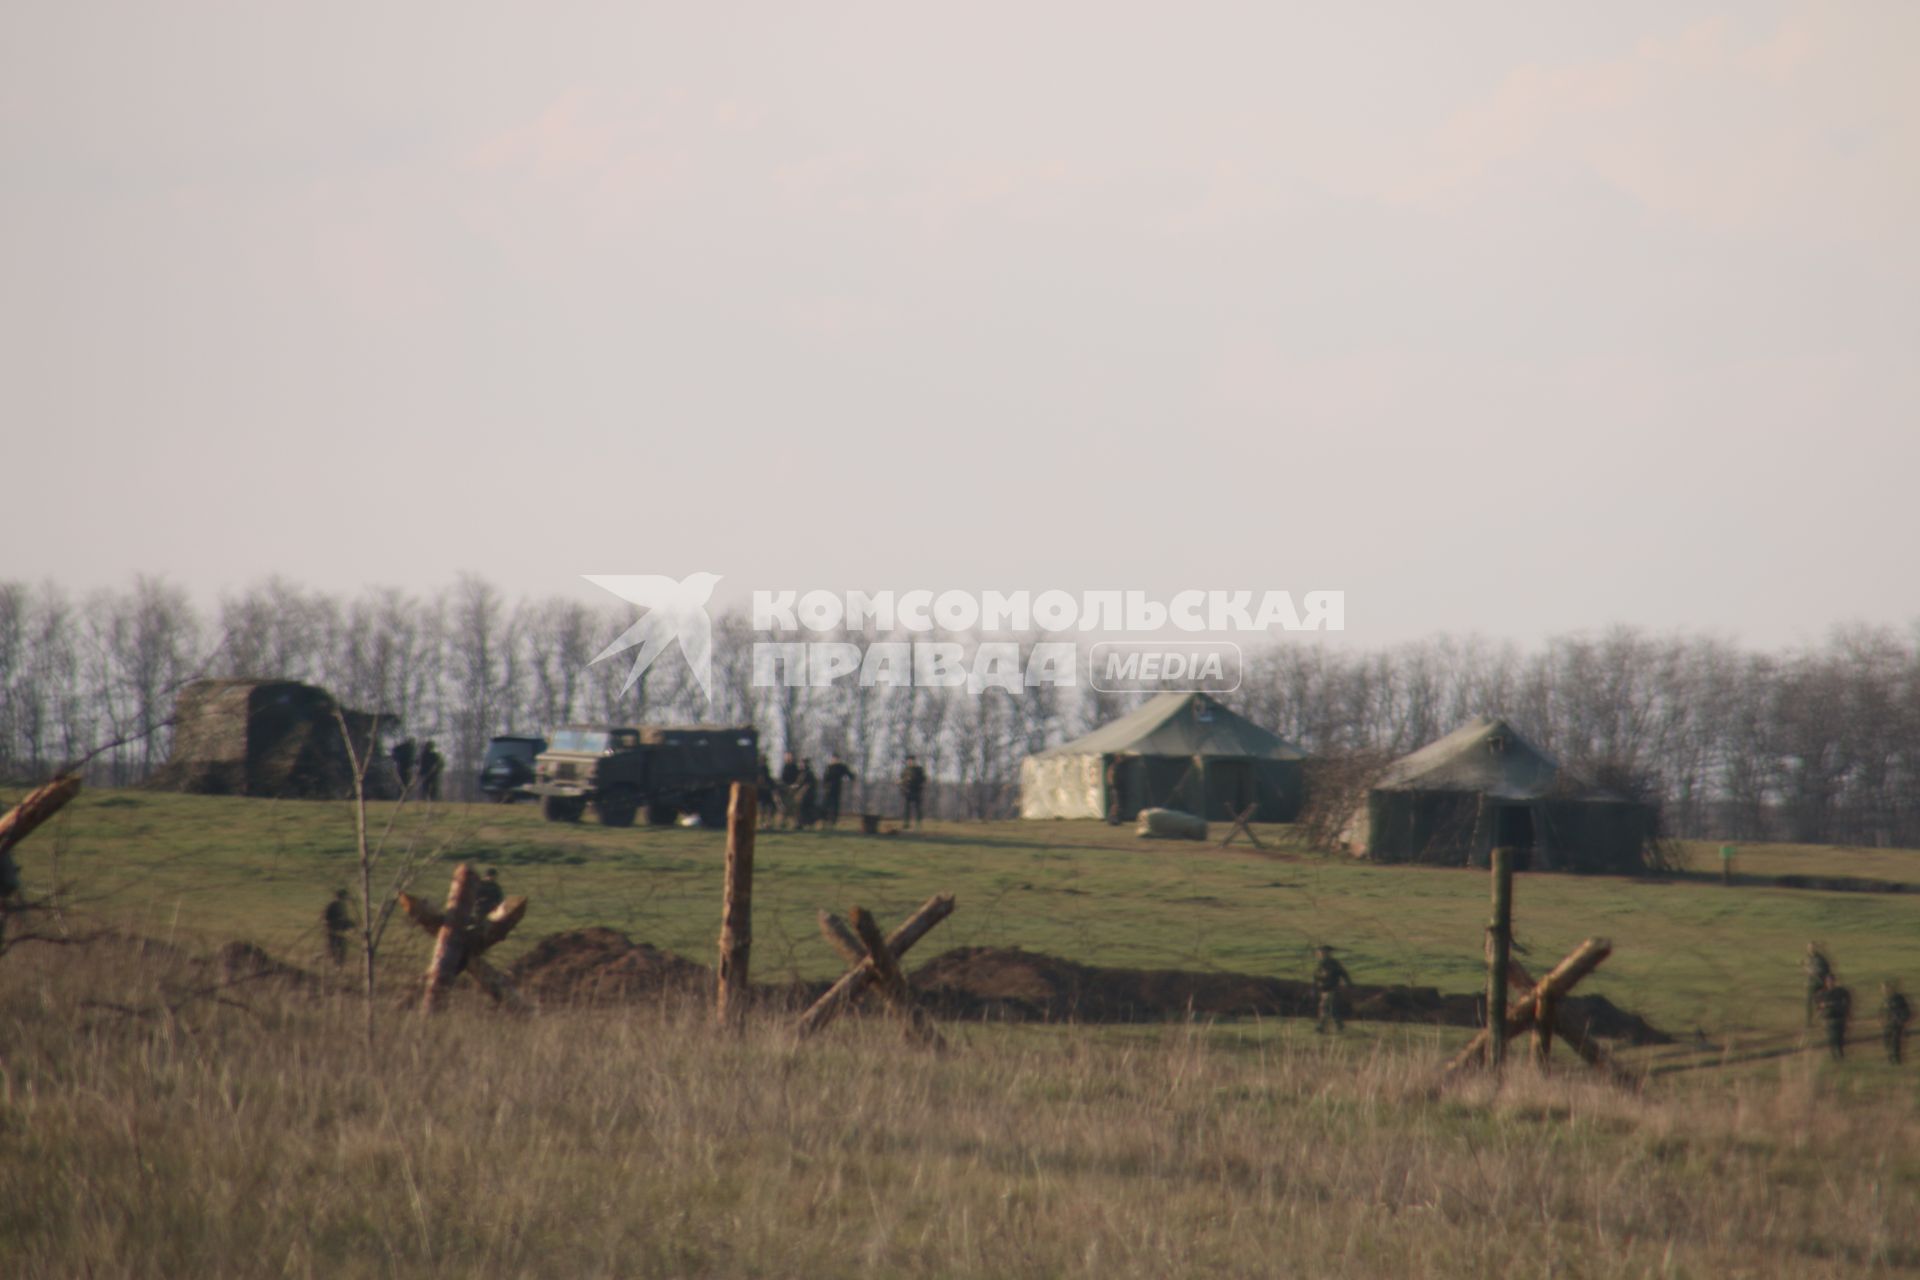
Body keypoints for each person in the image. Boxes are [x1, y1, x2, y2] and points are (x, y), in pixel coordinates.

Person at [1312, 944, 1352, 1033]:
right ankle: (1340, 1026)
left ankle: (1321, 1027)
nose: (1319, 954)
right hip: (1325, 989)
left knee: (1324, 1007)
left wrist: (1348, 983)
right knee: (1332, 1009)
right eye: (1319, 952)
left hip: (1330, 989)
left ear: (1327, 953)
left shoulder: (1332, 963)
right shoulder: (1323, 963)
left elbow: (1341, 973)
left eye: (1321, 952)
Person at [1816, 972, 1852, 1061]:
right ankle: (1834, 1056)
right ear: (1825, 982)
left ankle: (1841, 1054)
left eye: (1831, 981)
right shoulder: (1822, 993)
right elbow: (1818, 1005)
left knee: (1840, 1037)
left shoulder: (1840, 991)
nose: (1830, 983)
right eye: (1828, 981)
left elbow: (1847, 1000)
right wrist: (1821, 1009)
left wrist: (1846, 1011)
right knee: (1832, 1038)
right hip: (1829, 1019)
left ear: (1834, 981)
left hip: (1839, 1017)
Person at [821, 754, 856, 829]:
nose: (834, 760)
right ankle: (824, 821)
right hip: (828, 788)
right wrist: (824, 785)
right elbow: (825, 777)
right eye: (833, 759)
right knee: (826, 805)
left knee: (834, 806)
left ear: (838, 759)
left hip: (836, 788)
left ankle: (832, 822)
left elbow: (848, 773)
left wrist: (852, 776)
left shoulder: (841, 767)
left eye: (836, 759)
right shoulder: (829, 767)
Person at [1883, 980, 1911, 1065]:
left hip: (1897, 1023)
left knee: (1895, 1042)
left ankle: (1897, 1060)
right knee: (1887, 1040)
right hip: (1890, 1023)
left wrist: (1901, 1020)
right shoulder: (1888, 999)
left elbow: (1903, 1010)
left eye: (1885, 988)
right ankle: (1891, 1058)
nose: (1884, 991)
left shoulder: (1898, 998)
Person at [1804, 942, 1833, 1027]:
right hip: (1811, 984)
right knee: (1808, 1002)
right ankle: (1809, 1022)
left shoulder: (1821, 959)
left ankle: (1825, 1018)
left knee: (1822, 1002)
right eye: (1809, 948)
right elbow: (1807, 971)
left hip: (1820, 983)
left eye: (1812, 948)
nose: (1811, 949)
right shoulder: (1808, 959)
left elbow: (1827, 970)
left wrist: (1827, 982)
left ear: (1815, 948)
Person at [323, 888, 353, 966]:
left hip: (340, 931)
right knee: (334, 950)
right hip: (333, 931)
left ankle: (338, 966)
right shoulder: (333, 905)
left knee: (340, 949)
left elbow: (344, 919)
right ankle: (336, 965)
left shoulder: (342, 905)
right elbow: (327, 919)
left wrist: (349, 924)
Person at [899, 754, 927, 830]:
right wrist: (903, 788)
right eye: (909, 760)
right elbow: (902, 780)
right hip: (908, 792)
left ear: (914, 761)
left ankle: (918, 824)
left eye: (911, 760)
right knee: (907, 809)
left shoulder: (919, 770)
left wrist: (921, 788)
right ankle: (906, 823)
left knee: (918, 809)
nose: (910, 762)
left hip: (917, 791)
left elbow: (924, 779)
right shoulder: (905, 770)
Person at [777, 751, 800, 829]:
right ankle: (782, 823)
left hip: (792, 790)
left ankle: (795, 823)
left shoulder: (794, 767)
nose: (788, 758)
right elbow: (783, 779)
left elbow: (797, 779)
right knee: (784, 807)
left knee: (792, 808)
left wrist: (793, 786)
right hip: (785, 790)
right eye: (786, 757)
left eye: (789, 757)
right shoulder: (785, 767)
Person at [1105, 755, 1129, 826]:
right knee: (1116, 804)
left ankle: (1116, 819)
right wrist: (1112, 785)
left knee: (1117, 804)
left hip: (1117, 787)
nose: (1121, 760)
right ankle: (1112, 819)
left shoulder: (1118, 767)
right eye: (1119, 758)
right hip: (1114, 787)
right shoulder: (1113, 767)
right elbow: (1110, 777)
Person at [796, 758, 820, 830]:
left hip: (808, 795)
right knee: (802, 810)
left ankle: (806, 824)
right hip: (806, 795)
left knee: (806, 810)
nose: (800, 765)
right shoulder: (802, 773)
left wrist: (800, 793)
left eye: (802, 763)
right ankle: (801, 824)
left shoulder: (808, 773)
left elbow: (807, 785)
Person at [755, 755, 776, 829]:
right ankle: (762, 823)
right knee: (762, 808)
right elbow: (761, 779)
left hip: (765, 791)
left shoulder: (764, 768)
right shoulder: (761, 768)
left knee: (766, 807)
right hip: (762, 791)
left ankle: (766, 823)